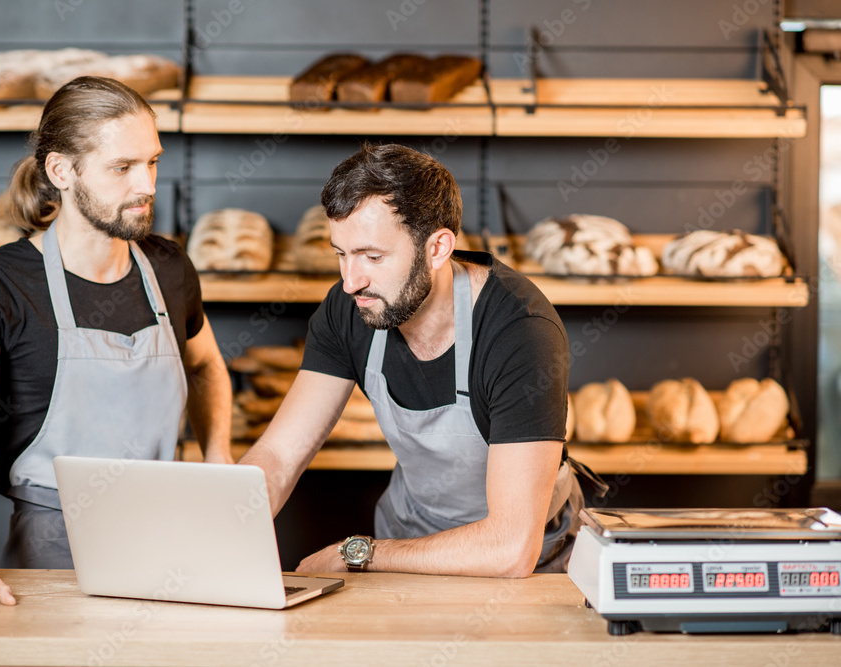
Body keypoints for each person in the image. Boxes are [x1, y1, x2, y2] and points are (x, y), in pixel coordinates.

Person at [0, 77, 233, 614]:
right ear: (61, 171)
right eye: (123, 167)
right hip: (52, 552)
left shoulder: (169, 266)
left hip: (175, 533)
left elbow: (204, 367)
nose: (147, 184)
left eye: (152, 162)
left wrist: (218, 454)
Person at [240, 143, 600, 577]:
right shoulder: (350, 308)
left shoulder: (520, 332)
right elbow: (279, 455)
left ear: (437, 248)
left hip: (530, 558)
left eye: (373, 257)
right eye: (341, 254)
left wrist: (356, 553)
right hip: (406, 537)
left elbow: (509, 547)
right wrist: (220, 526)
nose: (350, 281)